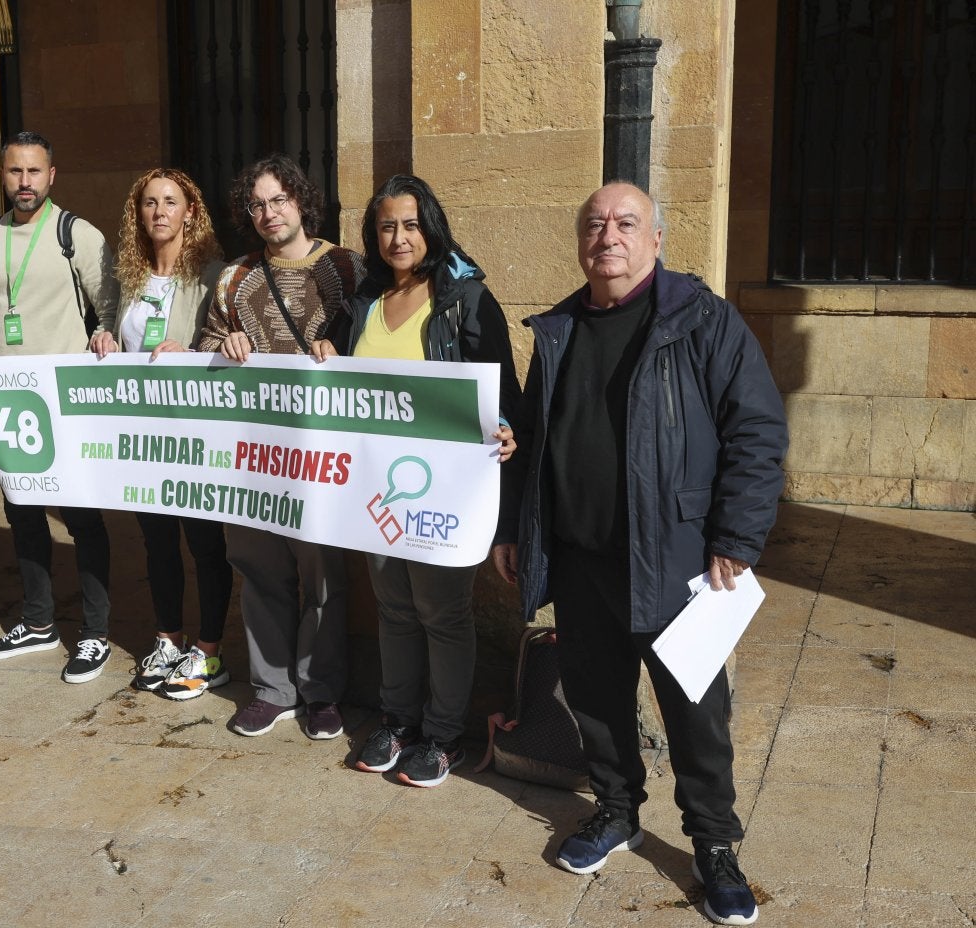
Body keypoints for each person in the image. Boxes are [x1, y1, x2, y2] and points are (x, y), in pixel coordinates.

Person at [495, 182, 787, 927]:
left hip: (680, 560)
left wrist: (738, 537)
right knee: (595, 698)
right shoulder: (557, 329)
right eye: (594, 225)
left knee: (695, 710)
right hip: (581, 557)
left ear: (656, 240)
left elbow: (756, 428)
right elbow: (530, 441)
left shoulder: (703, 321)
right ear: (580, 241)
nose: (608, 237)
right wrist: (514, 529)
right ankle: (617, 812)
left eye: (626, 224)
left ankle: (714, 846)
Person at [332, 175, 519, 786]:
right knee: (393, 608)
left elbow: (503, 392)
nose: (398, 237)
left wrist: (508, 429)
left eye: (411, 224)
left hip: (443, 491)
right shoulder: (363, 303)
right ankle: (398, 719)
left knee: (442, 612)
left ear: (430, 228)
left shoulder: (464, 299)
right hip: (377, 489)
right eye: (386, 226)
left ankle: (442, 737)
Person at [197, 153, 364, 738]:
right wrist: (226, 343)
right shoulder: (235, 278)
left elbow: (376, 345)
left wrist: (342, 355)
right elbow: (206, 348)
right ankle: (271, 689)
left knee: (322, 577)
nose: (269, 213)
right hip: (252, 457)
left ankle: (321, 692)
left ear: (300, 202)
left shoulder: (346, 269)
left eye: (279, 200)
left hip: (319, 456)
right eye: (257, 205)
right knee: (259, 570)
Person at [0, 131, 121, 684]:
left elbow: (111, 306)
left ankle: (95, 633)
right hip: (10, 401)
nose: (24, 183)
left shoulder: (77, 234)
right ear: (2, 176)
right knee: (22, 512)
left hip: (65, 402)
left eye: (34, 172)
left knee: (80, 518)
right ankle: (39, 621)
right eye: (14, 172)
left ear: (53, 175)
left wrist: (105, 335)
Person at [92, 168, 234, 700]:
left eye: (170, 202)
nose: (159, 212)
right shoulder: (129, 279)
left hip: (192, 436)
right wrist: (104, 335)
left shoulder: (213, 274)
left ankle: (210, 650)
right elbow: (119, 335)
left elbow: (230, 345)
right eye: (149, 203)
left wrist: (194, 352)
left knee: (203, 543)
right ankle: (169, 640)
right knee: (157, 542)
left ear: (189, 212)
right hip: (144, 437)